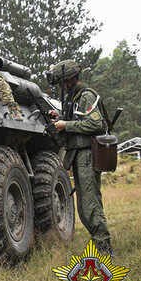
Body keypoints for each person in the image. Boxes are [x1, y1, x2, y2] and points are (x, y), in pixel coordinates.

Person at [47, 59, 113, 256]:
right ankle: (99, 243)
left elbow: (95, 124)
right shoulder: (74, 98)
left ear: (71, 79)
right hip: (78, 155)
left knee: (90, 204)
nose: (62, 87)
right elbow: (78, 119)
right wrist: (59, 118)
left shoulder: (86, 96)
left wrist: (65, 125)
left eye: (63, 82)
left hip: (87, 154)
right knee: (84, 207)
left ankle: (104, 248)